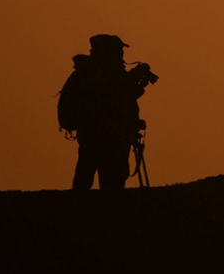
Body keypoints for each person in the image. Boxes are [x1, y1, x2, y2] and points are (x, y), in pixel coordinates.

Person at [58, 34, 157, 190]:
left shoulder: (88, 74)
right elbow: (117, 98)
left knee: (86, 175)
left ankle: (79, 208)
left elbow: (122, 96)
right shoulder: (104, 74)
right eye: (118, 50)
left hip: (94, 136)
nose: (121, 54)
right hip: (108, 137)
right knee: (109, 181)